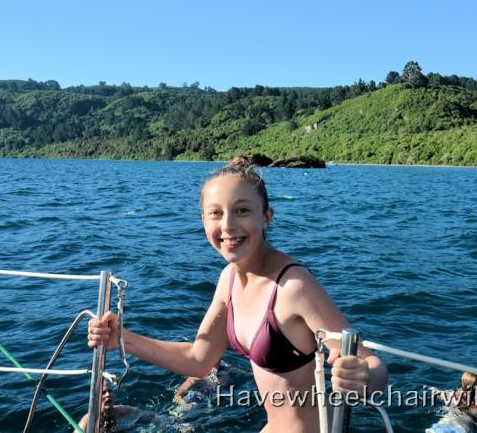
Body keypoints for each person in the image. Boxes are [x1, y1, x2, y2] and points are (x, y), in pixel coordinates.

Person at [88, 157, 388, 432]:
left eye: (242, 211)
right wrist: (122, 340)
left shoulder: (293, 286)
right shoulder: (229, 278)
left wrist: (361, 378)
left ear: (266, 217)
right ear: (203, 221)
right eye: (216, 213)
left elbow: (373, 365)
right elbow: (199, 360)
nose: (228, 225)